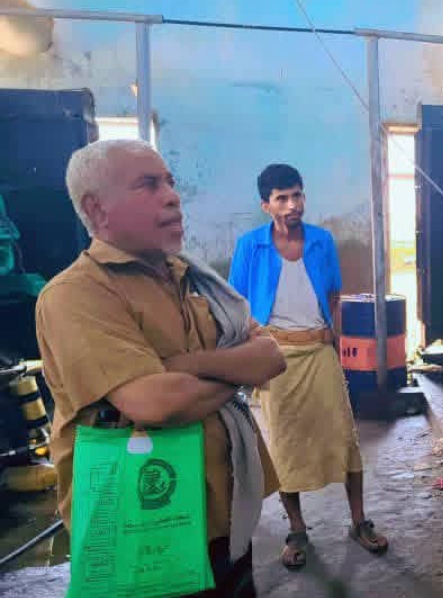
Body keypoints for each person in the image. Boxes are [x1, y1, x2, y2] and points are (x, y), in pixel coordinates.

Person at [36, 139, 285, 597]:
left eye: (170, 182)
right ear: (97, 209)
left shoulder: (194, 279)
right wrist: (236, 371)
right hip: (140, 524)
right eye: (148, 185)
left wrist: (190, 365)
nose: (172, 196)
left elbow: (271, 356)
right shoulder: (76, 294)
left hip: (221, 515)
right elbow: (156, 403)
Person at [228, 163, 389, 571]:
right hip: (274, 357)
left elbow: (333, 294)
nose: (292, 205)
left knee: (345, 437)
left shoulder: (321, 241)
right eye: (282, 198)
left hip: (319, 352)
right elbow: (237, 305)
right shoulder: (250, 246)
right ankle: (297, 530)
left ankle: (359, 521)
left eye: (297, 195)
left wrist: (330, 339)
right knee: (284, 446)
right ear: (266, 205)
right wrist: (253, 353)